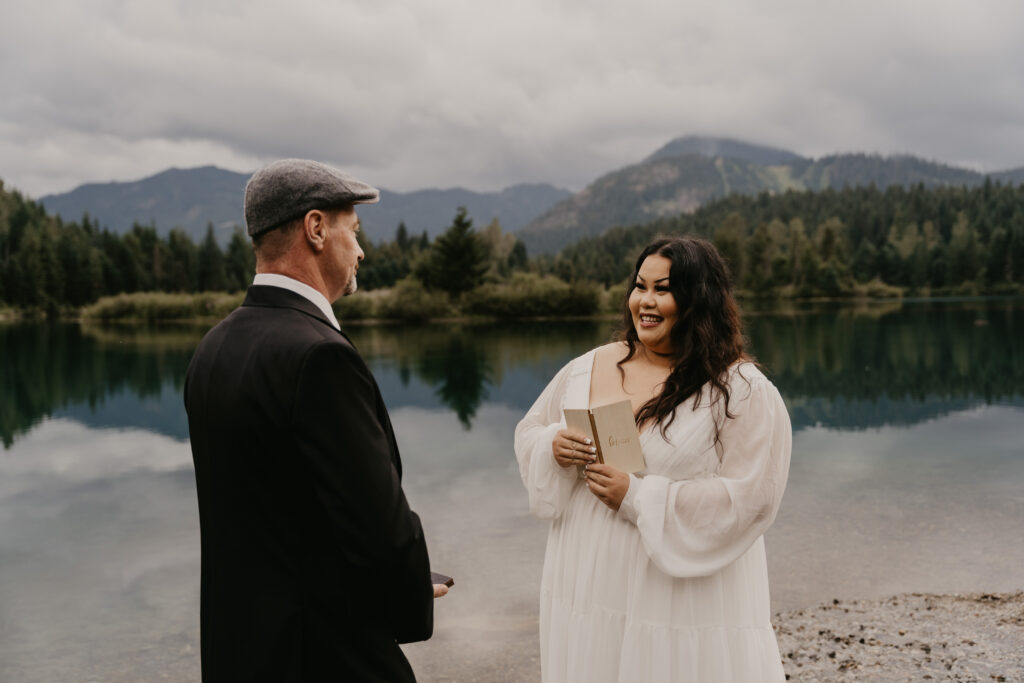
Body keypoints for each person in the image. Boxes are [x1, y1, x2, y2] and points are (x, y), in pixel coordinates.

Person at [185, 159, 446, 682]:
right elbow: (377, 525)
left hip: (238, 654)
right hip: (324, 657)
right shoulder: (320, 356)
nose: (361, 250)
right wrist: (410, 589)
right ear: (317, 229)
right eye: (355, 230)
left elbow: (266, 516)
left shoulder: (213, 348)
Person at [514, 235, 791, 682]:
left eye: (663, 289)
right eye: (640, 286)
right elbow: (529, 430)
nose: (645, 301)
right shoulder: (588, 366)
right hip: (584, 580)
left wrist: (638, 497)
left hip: (673, 596)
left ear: (699, 300)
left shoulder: (740, 390)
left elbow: (753, 498)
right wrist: (552, 446)